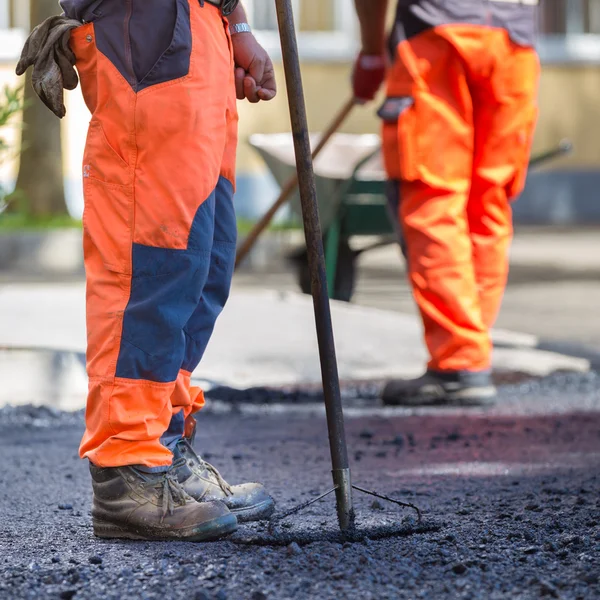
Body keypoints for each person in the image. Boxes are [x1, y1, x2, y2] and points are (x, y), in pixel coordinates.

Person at [20, 0, 277, 542]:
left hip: (201, 27)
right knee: (149, 261)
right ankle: (126, 470)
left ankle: (159, 445)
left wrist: (237, 23)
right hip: (150, 27)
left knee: (201, 265)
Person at [353, 0, 540, 407]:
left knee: (434, 201)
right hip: (515, 44)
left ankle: (460, 361)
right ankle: (469, 351)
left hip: (437, 35)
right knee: (487, 204)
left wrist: (370, 52)